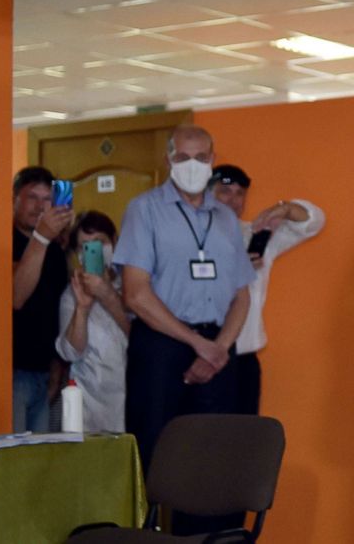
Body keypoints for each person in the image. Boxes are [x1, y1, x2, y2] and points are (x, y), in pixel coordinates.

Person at [114, 125, 256, 477]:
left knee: (213, 457)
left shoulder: (225, 219)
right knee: (155, 452)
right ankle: (154, 531)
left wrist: (218, 347)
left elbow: (242, 293)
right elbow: (136, 293)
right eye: (183, 158)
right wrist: (196, 344)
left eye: (200, 158)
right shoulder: (143, 210)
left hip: (219, 350)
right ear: (168, 160)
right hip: (162, 346)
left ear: (212, 159)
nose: (192, 164)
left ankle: (206, 533)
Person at [209, 165, 325, 414]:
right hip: (202, 354)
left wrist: (283, 208)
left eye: (240, 193)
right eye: (225, 191)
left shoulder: (255, 234)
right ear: (207, 194)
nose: (234, 199)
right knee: (202, 440)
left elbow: (314, 221)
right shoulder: (186, 237)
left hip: (244, 359)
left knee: (245, 441)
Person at [55, 211, 130, 433]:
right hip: (90, 399)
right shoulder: (72, 294)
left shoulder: (133, 288)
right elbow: (71, 352)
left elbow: (142, 340)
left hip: (131, 393)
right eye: (84, 246)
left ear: (114, 242)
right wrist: (83, 308)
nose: (93, 251)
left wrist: (107, 295)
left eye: (100, 243)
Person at [12, 166, 73, 433]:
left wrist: (58, 369)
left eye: (47, 199)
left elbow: (59, 311)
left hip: (47, 371)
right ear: (15, 199)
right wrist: (41, 237)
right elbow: (16, 297)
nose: (40, 206)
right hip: (13, 370)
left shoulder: (57, 252)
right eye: (32, 198)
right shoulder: (4, 241)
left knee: (39, 460)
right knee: (11, 457)